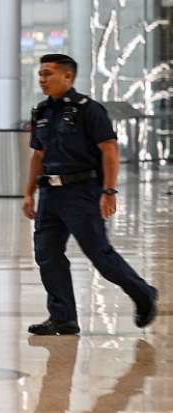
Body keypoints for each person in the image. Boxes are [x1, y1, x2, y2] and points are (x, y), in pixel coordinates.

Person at [22, 54, 158, 335]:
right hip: (50, 195)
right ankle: (63, 318)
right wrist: (28, 193)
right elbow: (38, 154)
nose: (42, 80)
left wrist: (108, 190)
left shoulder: (89, 110)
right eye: (40, 74)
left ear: (67, 76)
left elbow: (109, 149)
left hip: (81, 193)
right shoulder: (42, 112)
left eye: (48, 74)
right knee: (47, 255)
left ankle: (143, 293)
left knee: (100, 255)